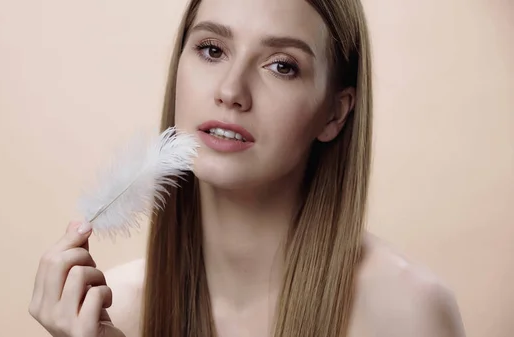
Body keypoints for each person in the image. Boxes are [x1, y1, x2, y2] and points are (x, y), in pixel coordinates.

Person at [28, 0, 467, 336]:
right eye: (212, 49)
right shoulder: (112, 311)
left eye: (281, 66)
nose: (231, 90)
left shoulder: (407, 313)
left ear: (335, 113)